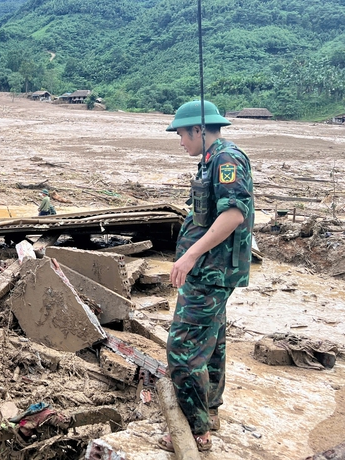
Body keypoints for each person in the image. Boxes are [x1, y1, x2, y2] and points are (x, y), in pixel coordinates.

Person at [158, 100, 254, 453]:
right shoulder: (210, 161)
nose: (180, 141)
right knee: (212, 343)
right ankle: (209, 412)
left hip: (210, 271)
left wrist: (189, 256)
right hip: (211, 270)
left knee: (183, 349)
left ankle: (194, 429)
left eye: (182, 134)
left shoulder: (227, 160)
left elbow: (233, 215)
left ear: (199, 129)